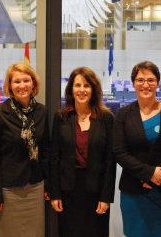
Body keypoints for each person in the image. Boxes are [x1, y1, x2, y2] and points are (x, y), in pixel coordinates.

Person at [113, 61, 161, 237]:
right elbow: (119, 151)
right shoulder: (123, 114)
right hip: (134, 191)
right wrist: (148, 174)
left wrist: (158, 175)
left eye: (151, 80)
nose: (146, 85)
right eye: (140, 80)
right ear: (133, 84)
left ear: (158, 83)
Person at [50, 67, 116, 237]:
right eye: (77, 85)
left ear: (93, 89)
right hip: (67, 191)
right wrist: (55, 193)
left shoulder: (106, 118)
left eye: (86, 85)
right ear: (71, 89)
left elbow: (110, 161)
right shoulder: (61, 117)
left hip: (96, 190)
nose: (82, 90)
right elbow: (54, 158)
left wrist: (106, 197)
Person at [0, 63, 49, 237]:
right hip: (7, 190)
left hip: (35, 186)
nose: (22, 86)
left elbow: (46, 152)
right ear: (10, 86)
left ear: (33, 84)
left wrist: (49, 185)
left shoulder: (42, 112)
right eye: (17, 81)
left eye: (26, 80)